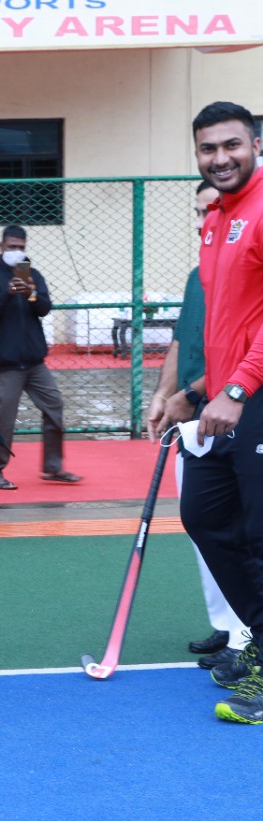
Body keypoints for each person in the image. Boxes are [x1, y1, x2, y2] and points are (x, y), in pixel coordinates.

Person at [180, 101, 263, 724]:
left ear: (254, 143)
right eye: (209, 149)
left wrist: (237, 390)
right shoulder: (215, 218)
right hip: (227, 398)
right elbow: (230, 322)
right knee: (205, 516)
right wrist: (200, 387)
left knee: (260, 536)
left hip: (255, 399)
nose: (220, 158)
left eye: (231, 145)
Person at [147, 179, 248, 670]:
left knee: (243, 528)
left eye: (211, 207)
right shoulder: (198, 274)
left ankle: (247, 636)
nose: (204, 218)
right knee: (202, 522)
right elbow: (181, 343)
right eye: (199, 210)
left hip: (234, 409)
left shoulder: (246, 269)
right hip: (194, 416)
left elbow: (241, 353)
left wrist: (198, 393)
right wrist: (166, 395)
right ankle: (229, 626)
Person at [0, 225, 80, 490]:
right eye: (11, 247)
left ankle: (53, 467)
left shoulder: (33, 276)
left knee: (54, 406)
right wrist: (7, 294)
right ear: (0, 247)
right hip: (5, 364)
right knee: (6, 420)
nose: (16, 251)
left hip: (34, 362)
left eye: (20, 247)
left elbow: (45, 308)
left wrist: (29, 294)